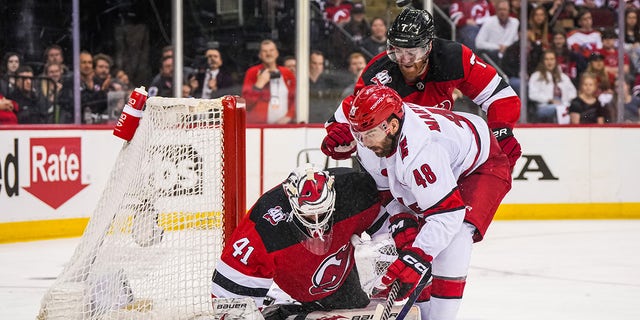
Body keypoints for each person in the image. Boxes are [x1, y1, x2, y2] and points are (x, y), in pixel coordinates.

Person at [345, 84, 512, 320]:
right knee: (413, 243)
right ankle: (422, 313)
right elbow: (387, 194)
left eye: (369, 135)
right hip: (449, 151)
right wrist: (402, 223)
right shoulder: (373, 139)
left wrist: (416, 259)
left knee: (455, 238)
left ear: (392, 126)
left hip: (481, 166)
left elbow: (448, 214)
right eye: (358, 135)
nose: (363, 142)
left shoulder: (421, 151)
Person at [321, 8, 522, 172]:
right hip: (386, 163)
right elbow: (347, 117)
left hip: (435, 153)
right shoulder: (379, 74)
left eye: (412, 52)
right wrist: (341, 137)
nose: (405, 61)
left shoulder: (452, 58)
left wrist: (501, 130)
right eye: (397, 51)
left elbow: (499, 95)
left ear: (428, 48)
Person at [211, 164, 383, 319]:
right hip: (296, 281)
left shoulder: (353, 190)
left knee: (354, 303)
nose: (316, 221)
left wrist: (399, 249)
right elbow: (231, 290)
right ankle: (280, 304)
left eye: (322, 213)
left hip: (340, 275)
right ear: (291, 202)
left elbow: (392, 213)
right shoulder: (265, 224)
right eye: (309, 214)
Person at [242, 39, 296, 124]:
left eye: (271, 50)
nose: (268, 54)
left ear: (277, 53)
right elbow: (246, 105)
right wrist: (259, 85)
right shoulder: (252, 72)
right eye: (265, 51)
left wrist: (289, 116)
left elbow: (295, 99)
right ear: (260, 55)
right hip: (258, 127)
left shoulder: (287, 73)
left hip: (284, 128)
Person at [528, 50, 577, 123]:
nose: (549, 62)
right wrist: (549, 100)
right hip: (544, 106)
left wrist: (565, 101)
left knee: (571, 109)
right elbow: (532, 95)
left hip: (563, 104)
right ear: (543, 61)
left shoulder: (563, 77)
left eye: (552, 59)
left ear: (555, 61)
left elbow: (573, 92)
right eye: (547, 59)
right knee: (558, 109)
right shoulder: (536, 76)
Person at [475, 0, 519, 66]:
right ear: (496, 11)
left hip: (509, 58)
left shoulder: (515, 22)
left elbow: (515, 40)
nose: (502, 12)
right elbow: (478, 43)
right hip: (492, 57)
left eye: (504, 10)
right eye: (500, 9)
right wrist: (498, 47)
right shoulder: (489, 21)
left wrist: (506, 48)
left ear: (509, 11)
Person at [308, 50, 340, 123]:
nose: (317, 67)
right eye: (314, 63)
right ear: (309, 63)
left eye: (320, 64)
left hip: (322, 121)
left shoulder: (328, 83)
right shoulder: (302, 82)